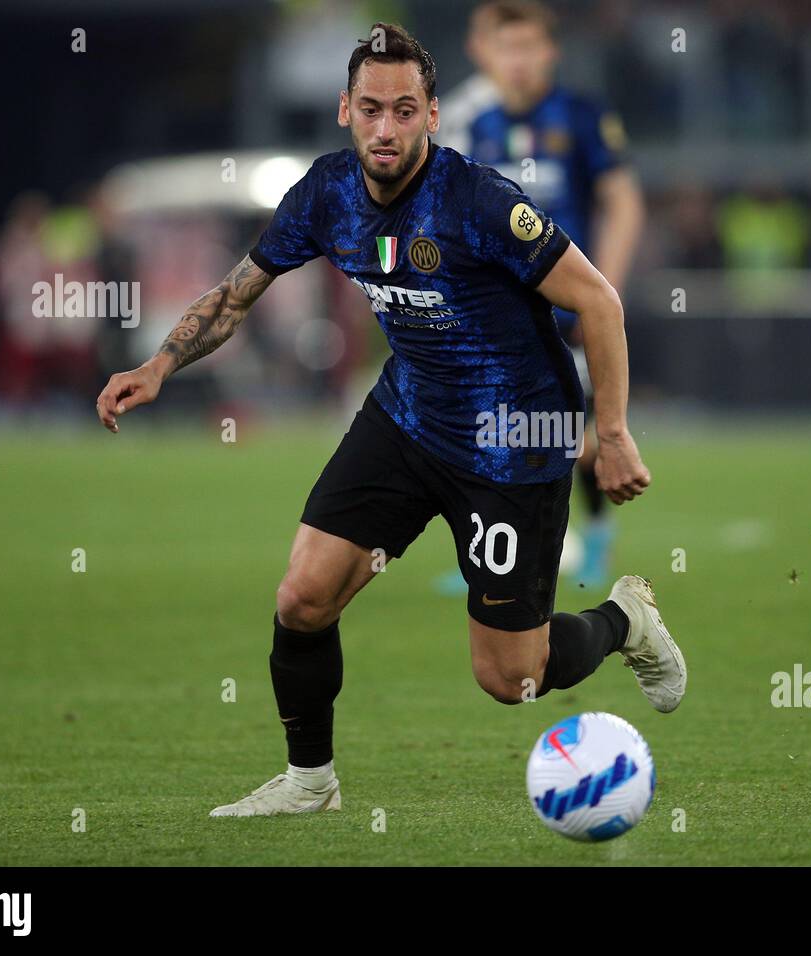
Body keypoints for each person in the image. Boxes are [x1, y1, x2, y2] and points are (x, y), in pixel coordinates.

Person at [95, 23, 685, 818]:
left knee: (511, 678)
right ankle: (311, 783)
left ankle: (626, 621)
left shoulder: (478, 201)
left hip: (513, 444)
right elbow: (238, 293)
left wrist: (609, 433)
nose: (385, 127)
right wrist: (159, 363)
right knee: (303, 597)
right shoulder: (324, 194)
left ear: (432, 115)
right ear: (345, 109)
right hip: (407, 419)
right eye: (371, 108)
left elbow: (598, 300)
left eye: (404, 110)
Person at [446, 0, 646, 590]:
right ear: (487, 55)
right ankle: (491, 552)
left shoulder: (581, 115)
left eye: (529, 48)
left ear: (550, 52)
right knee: (489, 431)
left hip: (567, 310)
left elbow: (623, 201)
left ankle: (597, 540)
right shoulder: (478, 130)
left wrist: (603, 289)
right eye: (508, 49)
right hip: (498, 314)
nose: (519, 61)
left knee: (577, 437)